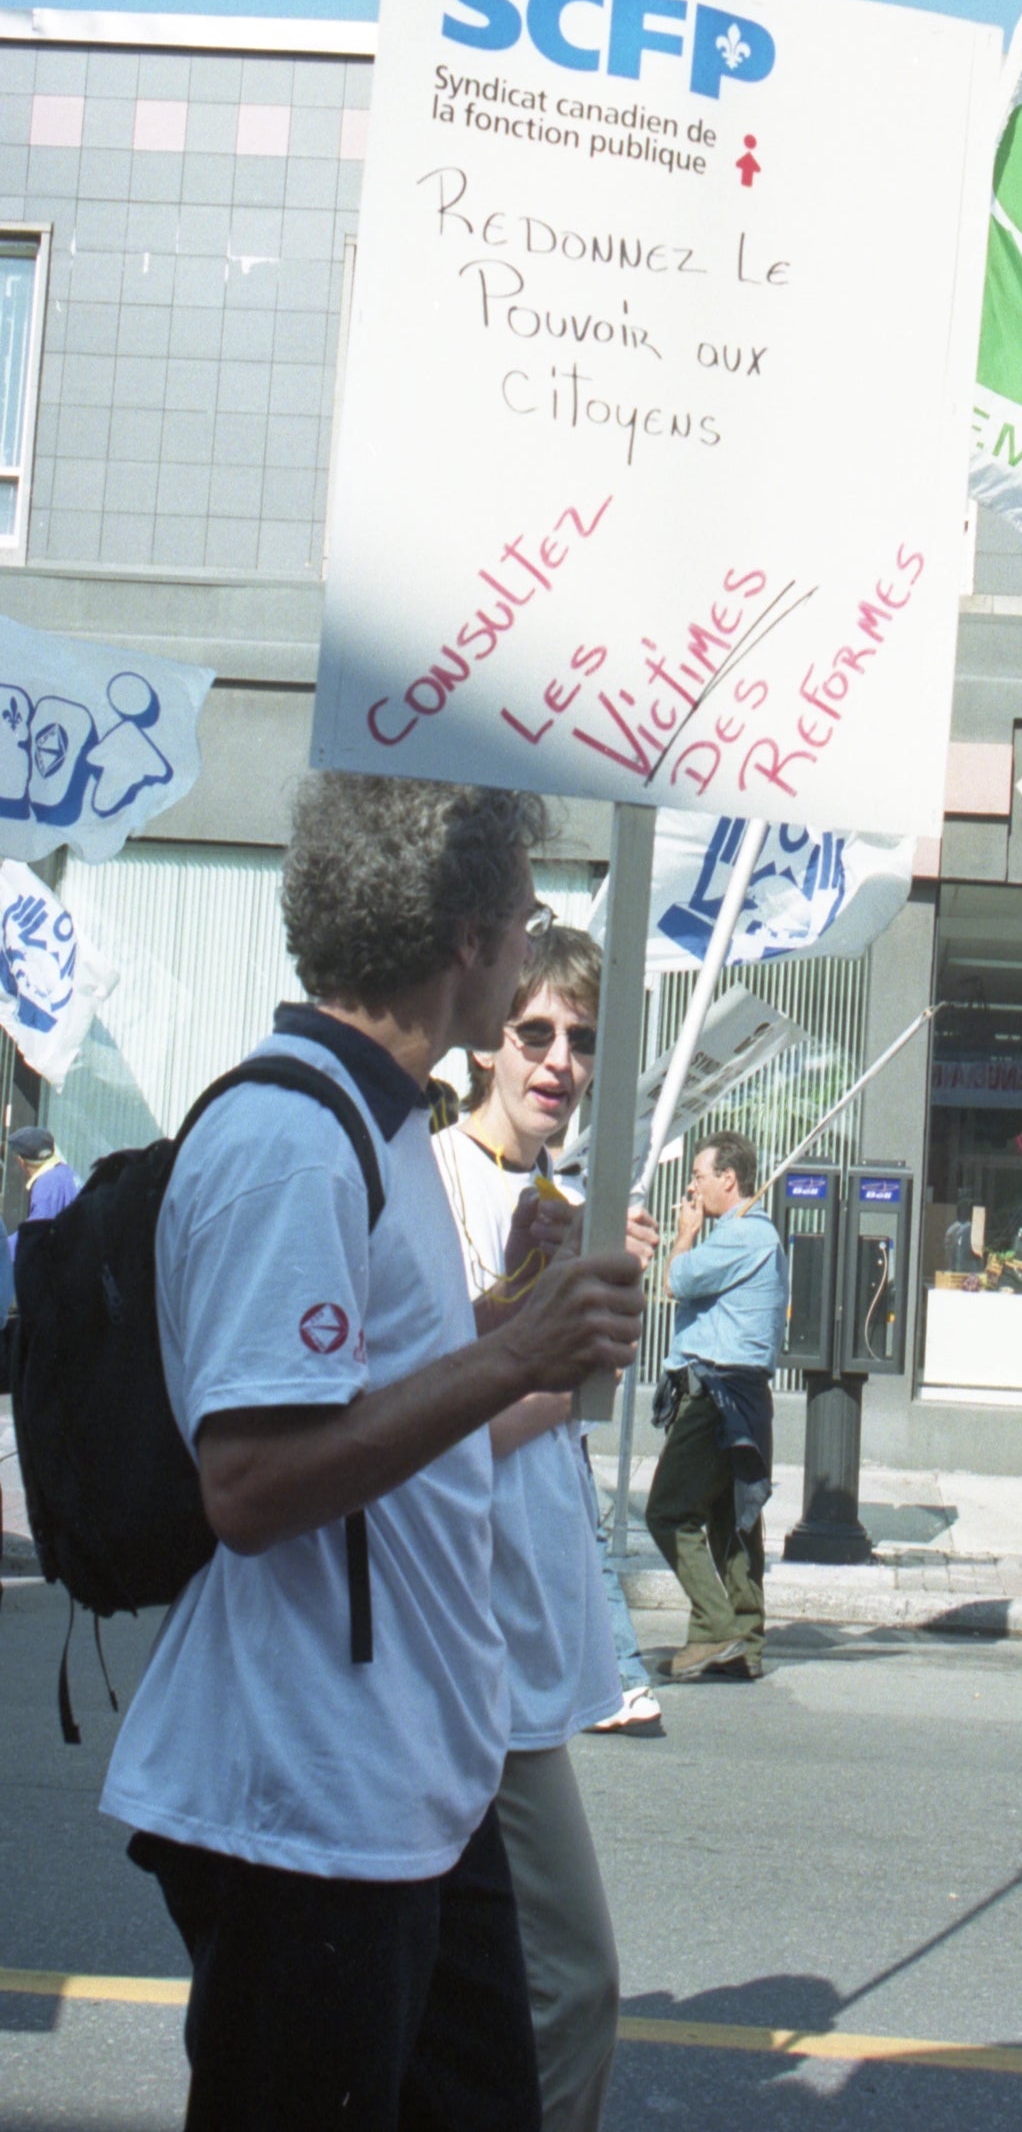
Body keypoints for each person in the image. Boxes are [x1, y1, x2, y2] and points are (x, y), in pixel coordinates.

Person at [98, 773, 645, 2132]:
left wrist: (509, 1322)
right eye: (520, 920)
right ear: (464, 938)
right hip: (305, 1807)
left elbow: (365, 1385)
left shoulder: (385, 1120)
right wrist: (511, 1359)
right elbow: (253, 1485)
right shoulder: (290, 1138)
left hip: (410, 1783)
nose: (530, 944)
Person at [433, 926, 660, 2132]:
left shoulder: (566, 1198)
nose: (559, 1061)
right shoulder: (433, 1182)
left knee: (463, 1984)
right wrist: (556, 1350)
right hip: (462, 1646)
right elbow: (425, 1426)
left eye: (581, 1039)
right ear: (487, 1042)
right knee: (573, 1983)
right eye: (535, 1033)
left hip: (518, 1638)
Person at [645, 1133, 786, 1681]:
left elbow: (676, 1279)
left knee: (669, 1511)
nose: (692, 1187)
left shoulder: (743, 1236)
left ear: (729, 1179)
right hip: (740, 1395)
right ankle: (745, 1640)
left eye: (699, 1176)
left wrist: (685, 1235)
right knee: (732, 1520)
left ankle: (715, 1627)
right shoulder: (752, 1235)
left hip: (719, 1393)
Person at [6, 1125, 80, 1262]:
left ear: (21, 1161)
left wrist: (4, 1250)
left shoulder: (48, 1184)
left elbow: (34, 1233)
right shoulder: (65, 1173)